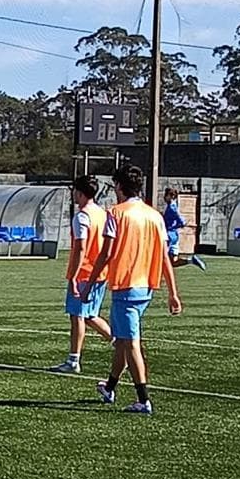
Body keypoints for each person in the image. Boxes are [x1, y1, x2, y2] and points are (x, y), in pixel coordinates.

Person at [82, 164, 182, 414]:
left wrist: (90, 284)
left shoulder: (116, 214)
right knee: (123, 343)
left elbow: (106, 254)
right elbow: (164, 258)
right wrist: (173, 292)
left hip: (125, 286)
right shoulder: (154, 216)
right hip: (145, 287)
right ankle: (110, 386)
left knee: (131, 344)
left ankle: (143, 399)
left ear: (118, 186)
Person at [50, 174, 113, 374]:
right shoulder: (102, 214)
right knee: (90, 315)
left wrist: (74, 276)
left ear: (79, 192)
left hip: (85, 272)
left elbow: (80, 248)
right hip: (100, 271)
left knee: (77, 315)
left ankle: (73, 360)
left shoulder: (82, 216)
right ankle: (120, 343)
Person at [162, 187, 208, 272]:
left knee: (162, 259)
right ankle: (191, 260)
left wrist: (182, 222)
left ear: (171, 196)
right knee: (173, 262)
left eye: (166, 195)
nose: (164, 197)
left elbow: (178, 216)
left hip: (169, 235)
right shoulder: (172, 205)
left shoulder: (172, 207)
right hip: (174, 235)